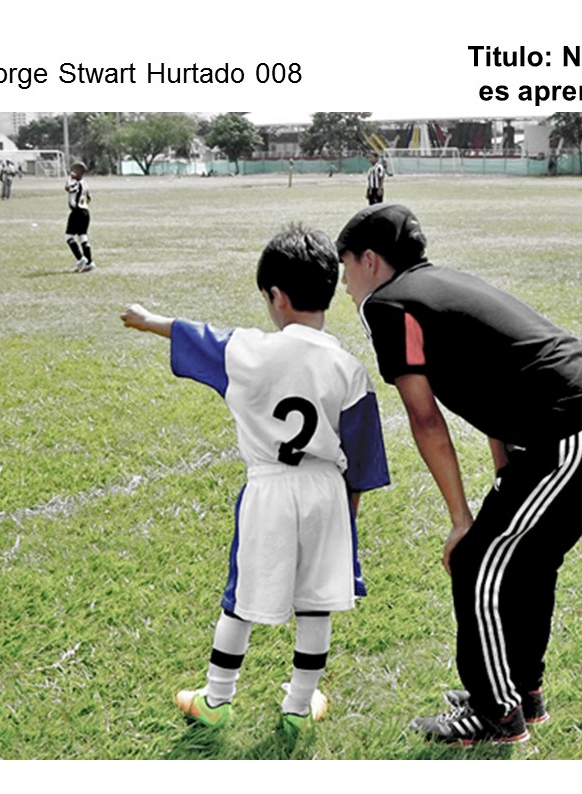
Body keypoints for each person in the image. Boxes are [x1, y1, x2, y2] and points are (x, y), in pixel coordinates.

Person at [337, 204, 582, 746]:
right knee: (529, 558)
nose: (345, 283)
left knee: (475, 559)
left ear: (370, 260)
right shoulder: (440, 284)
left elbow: (425, 419)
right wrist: (504, 470)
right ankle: (519, 692)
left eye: (346, 266)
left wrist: (461, 520)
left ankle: (494, 713)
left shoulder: (387, 304)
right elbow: (495, 379)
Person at [121, 224, 390, 737]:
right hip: (327, 493)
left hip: (269, 488)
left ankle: (216, 698)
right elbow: (362, 460)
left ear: (276, 296)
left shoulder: (248, 350)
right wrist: (347, 516)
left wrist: (148, 320)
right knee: (316, 601)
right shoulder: (349, 368)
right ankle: (299, 706)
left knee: (241, 595)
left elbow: (198, 335)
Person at [65, 162, 95, 272]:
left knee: (68, 237)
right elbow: (89, 198)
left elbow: (68, 188)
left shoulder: (77, 184)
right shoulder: (85, 183)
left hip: (77, 212)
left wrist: (69, 179)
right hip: (85, 212)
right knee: (83, 237)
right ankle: (89, 262)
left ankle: (80, 258)